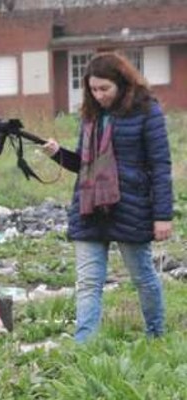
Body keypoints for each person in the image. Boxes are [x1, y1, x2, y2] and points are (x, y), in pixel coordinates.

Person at [43, 52, 173, 343]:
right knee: (88, 282)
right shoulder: (90, 115)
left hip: (130, 207)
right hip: (89, 207)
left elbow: (160, 166)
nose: (99, 95)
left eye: (105, 88)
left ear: (122, 83)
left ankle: (156, 336)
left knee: (142, 278)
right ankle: (84, 347)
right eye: (93, 89)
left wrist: (163, 216)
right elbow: (83, 164)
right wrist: (57, 154)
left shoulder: (147, 111)